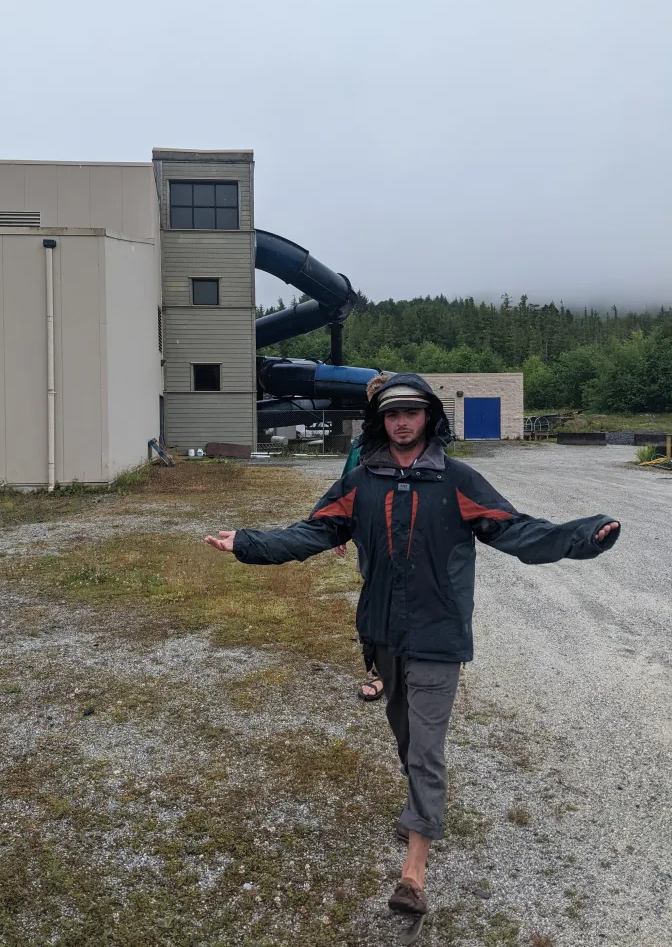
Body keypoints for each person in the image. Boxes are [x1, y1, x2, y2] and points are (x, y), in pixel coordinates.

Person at [205, 373, 620, 920]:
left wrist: (583, 536)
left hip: (439, 633)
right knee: (405, 735)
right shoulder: (360, 482)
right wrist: (249, 542)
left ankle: (413, 873)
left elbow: (516, 529)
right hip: (383, 632)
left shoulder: (459, 480)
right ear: (381, 421)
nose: (402, 422)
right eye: (393, 414)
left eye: (412, 412)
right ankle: (420, 803)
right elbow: (313, 532)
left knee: (426, 747)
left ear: (429, 417)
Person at [335, 371, 394, 702]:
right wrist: (339, 529)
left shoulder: (421, 445)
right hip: (371, 539)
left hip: (414, 539)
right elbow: (345, 489)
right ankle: (380, 670)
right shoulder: (359, 445)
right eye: (377, 403)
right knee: (376, 600)